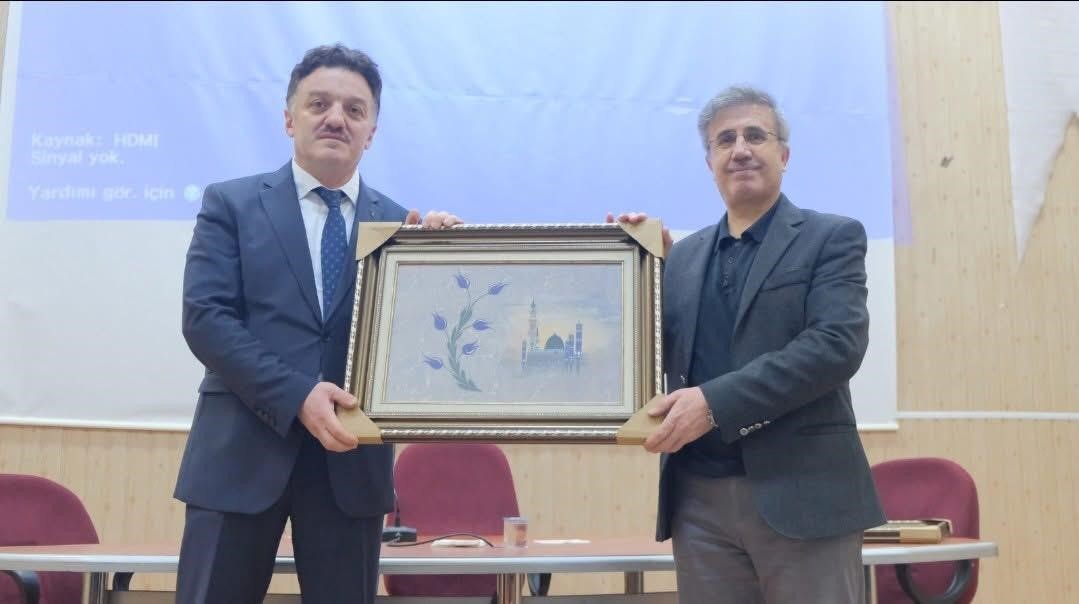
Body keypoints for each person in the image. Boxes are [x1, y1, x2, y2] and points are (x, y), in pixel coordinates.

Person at [173, 44, 460, 603]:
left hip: (350, 468)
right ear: (289, 118)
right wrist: (297, 396)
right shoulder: (231, 204)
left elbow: (416, 348)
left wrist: (444, 261)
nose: (336, 118)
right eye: (319, 104)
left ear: (371, 131)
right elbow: (206, 319)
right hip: (239, 457)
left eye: (354, 110)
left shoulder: (399, 227)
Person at [617, 86, 885, 603]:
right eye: (725, 140)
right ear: (710, 163)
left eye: (755, 136)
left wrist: (714, 404)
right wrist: (633, 268)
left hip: (804, 495)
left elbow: (836, 346)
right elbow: (648, 355)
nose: (740, 149)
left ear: (784, 155)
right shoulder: (682, 258)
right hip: (697, 503)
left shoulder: (831, 237)